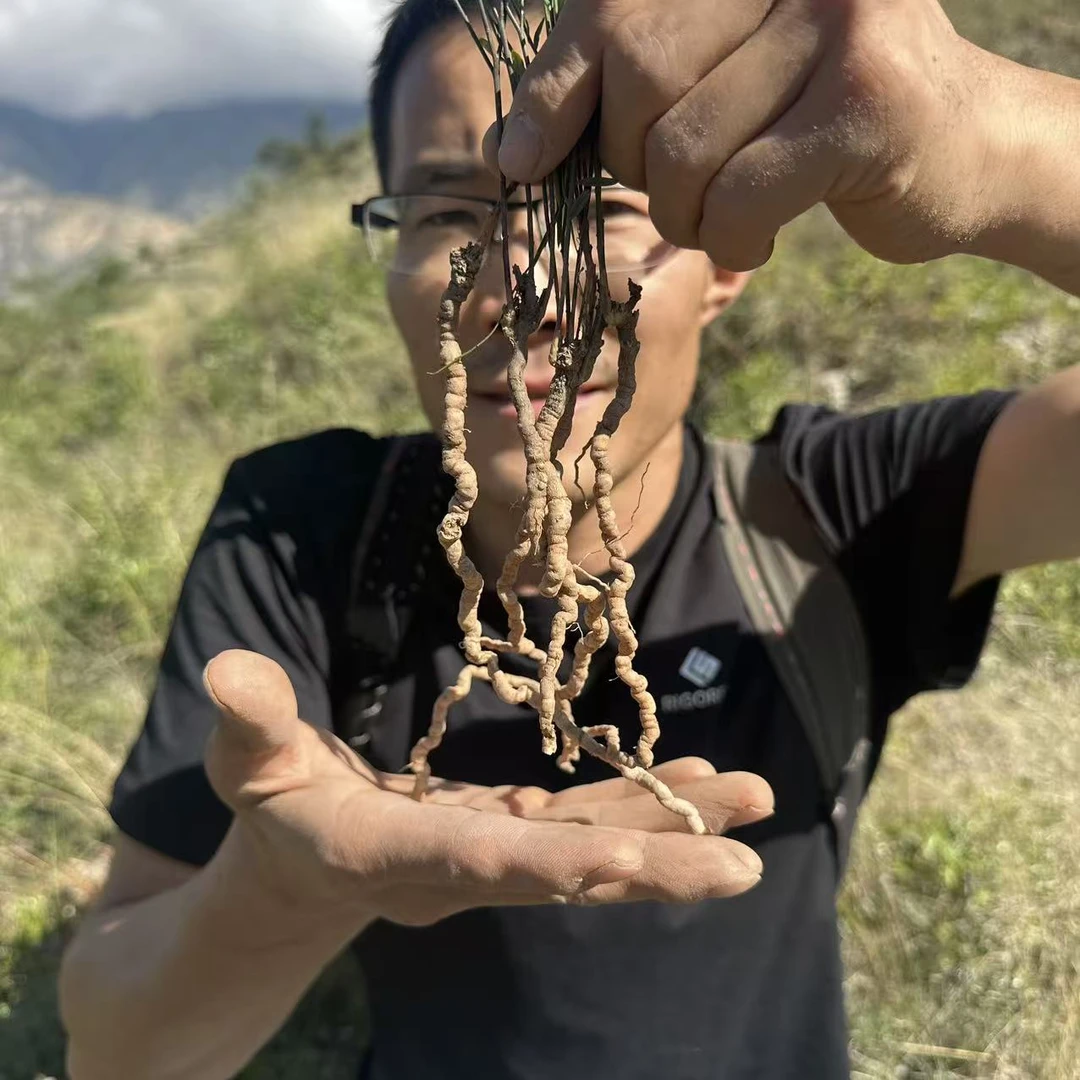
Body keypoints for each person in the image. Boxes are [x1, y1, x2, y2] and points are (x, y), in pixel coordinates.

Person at [59, 0, 1080, 1077]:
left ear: (725, 259)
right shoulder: (302, 534)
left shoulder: (836, 510)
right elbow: (119, 1050)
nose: (526, 293)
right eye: (448, 214)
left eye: (598, 201)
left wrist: (1002, 138)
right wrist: (282, 888)